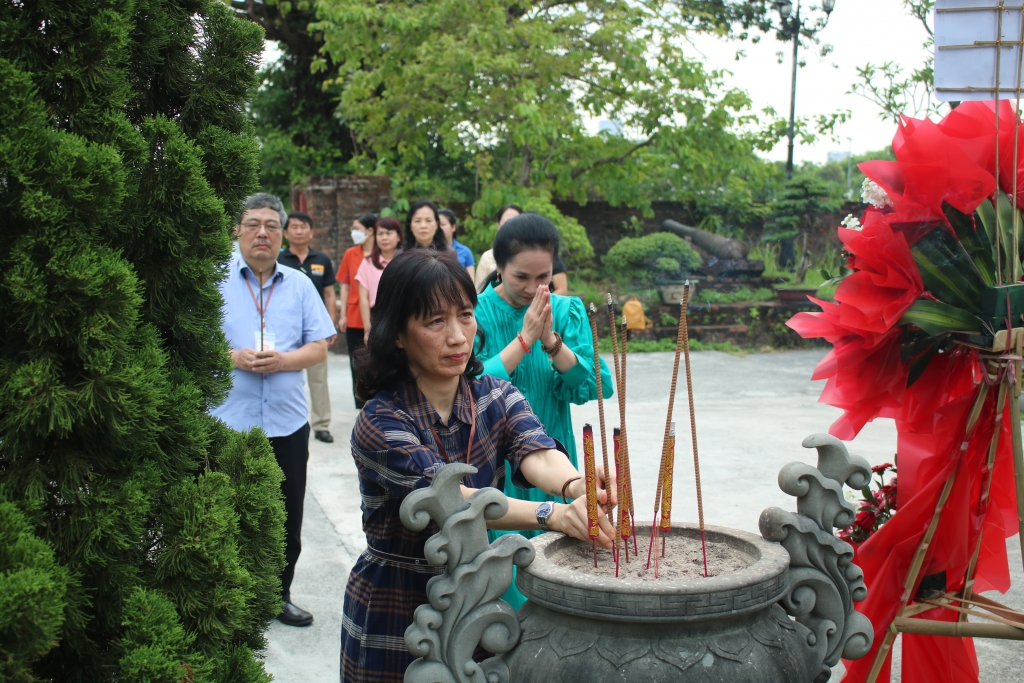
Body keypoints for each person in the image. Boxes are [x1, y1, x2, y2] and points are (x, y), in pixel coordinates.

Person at [340, 249, 616, 683]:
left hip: (477, 597)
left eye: (465, 315)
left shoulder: (493, 395)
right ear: (397, 333)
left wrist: (577, 486)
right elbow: (450, 497)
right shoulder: (381, 419)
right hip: (399, 599)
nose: (457, 337)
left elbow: (536, 450)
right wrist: (552, 514)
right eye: (435, 321)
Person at [473, 212, 613, 608]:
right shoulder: (475, 314)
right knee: (506, 571)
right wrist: (524, 338)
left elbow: (594, 385)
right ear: (498, 268)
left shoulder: (566, 311)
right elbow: (472, 387)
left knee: (561, 567)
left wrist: (551, 340)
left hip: (556, 461)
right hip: (496, 465)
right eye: (521, 277)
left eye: (544, 277)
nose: (534, 288)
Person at [211, 193, 336, 627]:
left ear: (282, 235)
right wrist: (231, 356)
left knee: (286, 513)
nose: (261, 233)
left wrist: (283, 361)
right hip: (228, 420)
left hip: (286, 423)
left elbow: (320, 347)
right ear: (237, 231)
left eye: (271, 226)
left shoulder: (300, 284)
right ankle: (223, 596)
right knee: (223, 511)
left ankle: (276, 595)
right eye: (252, 224)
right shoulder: (213, 279)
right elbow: (192, 341)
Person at [279, 211, 338, 443]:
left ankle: (321, 424)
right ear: (286, 233)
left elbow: (330, 294)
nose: (299, 230)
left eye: (303, 226)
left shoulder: (321, 259)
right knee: (284, 374)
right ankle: (285, 421)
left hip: (315, 328)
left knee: (318, 377)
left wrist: (330, 325)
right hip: (287, 326)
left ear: (311, 232)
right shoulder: (279, 259)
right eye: (293, 227)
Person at [474, 204, 570, 295]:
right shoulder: (476, 310)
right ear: (499, 266)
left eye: (543, 276)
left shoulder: (567, 308)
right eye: (521, 277)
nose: (532, 290)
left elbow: (562, 288)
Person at [336, 213, 377, 409]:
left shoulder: (381, 254)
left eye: (357, 228)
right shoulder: (350, 253)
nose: (353, 233)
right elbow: (344, 284)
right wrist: (342, 313)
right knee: (357, 363)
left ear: (370, 231)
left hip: (376, 317)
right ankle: (360, 403)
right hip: (354, 317)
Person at [356, 216, 403, 343]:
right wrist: (368, 329)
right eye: (380, 234)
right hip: (378, 318)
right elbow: (364, 299)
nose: (384, 238)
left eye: (389, 233)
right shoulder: (367, 263)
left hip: (404, 316)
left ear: (399, 236)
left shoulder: (407, 261)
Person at [438, 207, 475, 281]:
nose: (439, 228)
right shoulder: (428, 249)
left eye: (443, 224)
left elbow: (471, 281)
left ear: (453, 227)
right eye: (437, 224)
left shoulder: (465, 251)